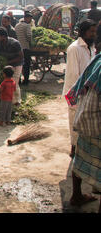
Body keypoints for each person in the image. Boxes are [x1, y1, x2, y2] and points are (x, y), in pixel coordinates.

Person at [65, 54, 100, 212]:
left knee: (81, 156)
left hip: (84, 117)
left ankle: (77, 195)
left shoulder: (98, 59)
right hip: (96, 120)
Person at [62, 19, 97, 158]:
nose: (93, 34)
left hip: (88, 91)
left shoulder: (92, 47)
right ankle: (74, 146)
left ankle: (82, 147)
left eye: (95, 32)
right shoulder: (74, 48)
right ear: (83, 32)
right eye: (91, 32)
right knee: (74, 120)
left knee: (86, 121)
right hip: (76, 92)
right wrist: (77, 93)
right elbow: (72, 75)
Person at [0, 28, 24, 105]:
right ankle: (8, 100)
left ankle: (16, 102)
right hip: (6, 66)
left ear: (4, 36)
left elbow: (20, 57)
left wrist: (8, 62)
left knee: (14, 83)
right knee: (6, 83)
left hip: (16, 64)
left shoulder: (15, 43)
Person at [15, 11, 33, 86]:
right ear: (27, 18)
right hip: (25, 47)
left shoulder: (17, 25)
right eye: (30, 19)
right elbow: (29, 36)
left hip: (18, 48)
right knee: (26, 65)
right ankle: (26, 81)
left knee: (19, 64)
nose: (30, 20)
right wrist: (31, 44)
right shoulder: (27, 26)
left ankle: (18, 80)